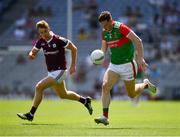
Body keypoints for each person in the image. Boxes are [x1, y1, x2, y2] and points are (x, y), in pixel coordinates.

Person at [17, 20, 93, 121]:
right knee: (63, 95)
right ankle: (85, 101)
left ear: (48, 29)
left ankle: (31, 114)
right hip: (52, 72)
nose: (43, 34)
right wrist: (31, 55)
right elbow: (33, 51)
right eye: (41, 33)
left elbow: (74, 48)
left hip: (60, 71)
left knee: (39, 87)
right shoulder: (40, 41)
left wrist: (73, 66)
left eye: (45, 31)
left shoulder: (58, 39)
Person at [94, 11, 156, 126]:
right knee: (105, 86)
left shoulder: (121, 28)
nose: (104, 28)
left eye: (106, 25)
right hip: (114, 65)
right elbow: (103, 49)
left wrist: (141, 59)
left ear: (110, 21)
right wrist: (99, 57)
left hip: (128, 65)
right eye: (102, 26)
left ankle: (145, 85)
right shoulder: (104, 33)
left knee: (131, 94)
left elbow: (138, 40)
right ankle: (105, 116)